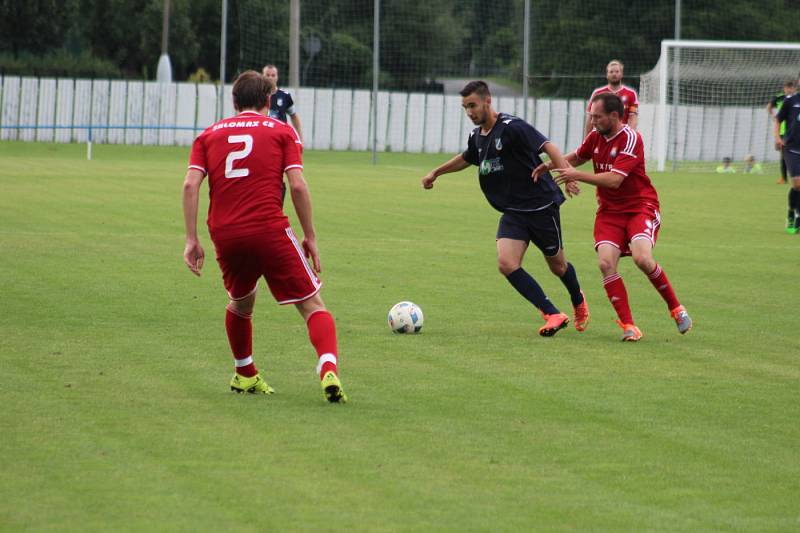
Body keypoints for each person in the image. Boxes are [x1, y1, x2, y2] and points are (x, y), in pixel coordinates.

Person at [182, 70, 346, 402]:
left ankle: (245, 375)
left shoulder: (208, 135)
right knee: (312, 305)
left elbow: (190, 184)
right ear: (269, 100)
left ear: (233, 101)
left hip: (225, 234)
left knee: (241, 302)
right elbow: (297, 185)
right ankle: (328, 367)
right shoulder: (282, 131)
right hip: (268, 229)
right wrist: (310, 235)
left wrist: (191, 238)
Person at [421, 80, 589, 337]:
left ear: (488, 101)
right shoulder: (477, 136)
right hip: (513, 212)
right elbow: (467, 158)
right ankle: (552, 313)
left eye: (473, 105)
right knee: (507, 263)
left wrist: (570, 176)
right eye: (465, 107)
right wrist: (436, 172)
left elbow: (550, 147)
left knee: (558, 267)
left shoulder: (513, 127)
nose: (469, 112)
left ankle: (577, 298)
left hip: (541, 207)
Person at [536, 92, 692, 342]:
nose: (593, 121)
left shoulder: (631, 138)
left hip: (640, 207)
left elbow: (614, 180)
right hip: (609, 212)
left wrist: (574, 175)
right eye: (591, 116)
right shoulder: (595, 137)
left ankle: (676, 308)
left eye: (597, 117)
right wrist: (551, 164)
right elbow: (578, 156)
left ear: (614, 116)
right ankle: (629, 326)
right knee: (606, 263)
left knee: (642, 258)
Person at [584, 60, 639, 137]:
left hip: (621, 137)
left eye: (617, 71)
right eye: (611, 72)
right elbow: (590, 117)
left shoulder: (631, 94)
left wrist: (628, 136)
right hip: (600, 137)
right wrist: (586, 139)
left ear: (621, 74)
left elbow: (633, 118)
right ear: (607, 74)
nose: (614, 74)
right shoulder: (597, 93)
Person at [774, 80, 800, 234]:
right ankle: (792, 212)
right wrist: (777, 138)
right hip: (791, 147)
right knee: (797, 183)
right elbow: (778, 119)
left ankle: (797, 216)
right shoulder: (791, 100)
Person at [262, 64, 304, 144]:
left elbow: (294, 116)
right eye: (267, 75)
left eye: (273, 75)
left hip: (280, 139)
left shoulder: (285, 96)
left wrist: (300, 139)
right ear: (262, 76)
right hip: (263, 138)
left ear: (277, 77)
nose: (270, 77)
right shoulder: (257, 95)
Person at [767, 80, 796, 184]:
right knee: (784, 155)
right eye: (787, 87)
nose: (789, 89)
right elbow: (769, 107)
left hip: (795, 131)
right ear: (784, 88)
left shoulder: (796, 99)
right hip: (783, 132)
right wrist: (773, 117)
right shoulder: (779, 97)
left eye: (791, 87)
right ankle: (784, 178)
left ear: (794, 88)